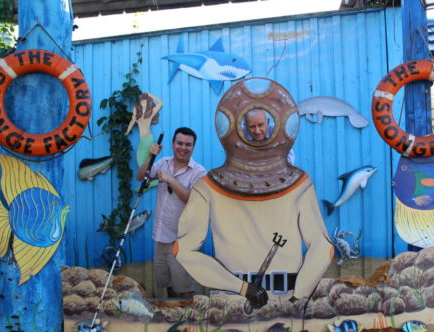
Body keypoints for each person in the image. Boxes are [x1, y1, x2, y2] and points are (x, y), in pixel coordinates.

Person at [175, 78, 333, 312]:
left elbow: (322, 246)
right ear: (240, 127)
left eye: (262, 125)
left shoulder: (298, 183)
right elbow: (183, 250)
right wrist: (243, 288)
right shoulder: (208, 186)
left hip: (277, 297)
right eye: (252, 126)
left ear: (272, 124)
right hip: (238, 301)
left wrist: (297, 297)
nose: (257, 131)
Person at [137, 127, 207, 298]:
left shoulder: (199, 172)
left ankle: (187, 322)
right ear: (173, 144)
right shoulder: (162, 163)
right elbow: (141, 177)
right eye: (180, 143)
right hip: (161, 237)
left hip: (182, 241)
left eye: (188, 145)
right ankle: (174, 320)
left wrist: (170, 179)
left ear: (193, 147)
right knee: (168, 284)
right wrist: (150, 156)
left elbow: (193, 200)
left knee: (184, 288)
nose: (183, 147)